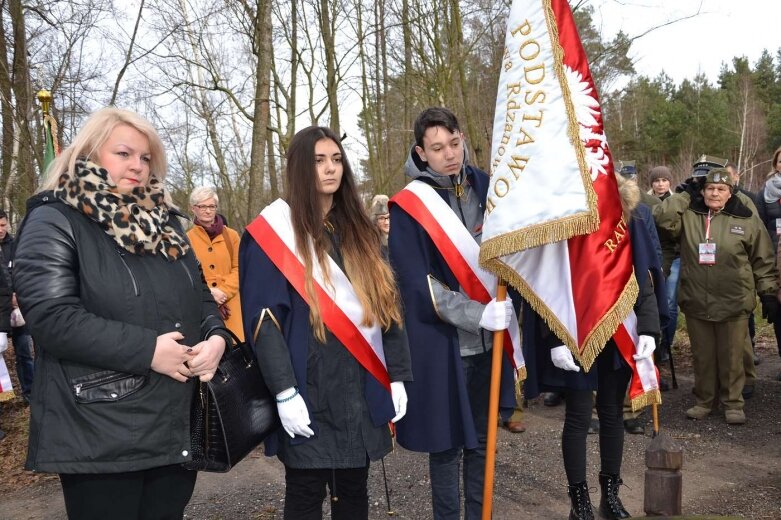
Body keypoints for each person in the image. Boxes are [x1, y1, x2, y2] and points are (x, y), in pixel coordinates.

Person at [12, 107, 229, 519]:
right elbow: (52, 317)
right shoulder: (55, 219)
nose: (137, 166)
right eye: (124, 154)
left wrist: (216, 338)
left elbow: (200, 295)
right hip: (99, 429)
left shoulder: (165, 224)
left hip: (173, 420)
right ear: (90, 155)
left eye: (145, 158)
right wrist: (148, 350)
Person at [239, 126, 412, 520]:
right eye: (319, 161)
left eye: (336, 159)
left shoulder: (360, 230)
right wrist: (283, 391)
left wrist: (397, 374)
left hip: (360, 384)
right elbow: (265, 322)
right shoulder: (273, 232)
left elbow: (387, 306)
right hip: (308, 388)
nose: (331, 169)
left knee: (354, 493)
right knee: (305, 494)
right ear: (300, 167)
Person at [388, 107, 517, 519]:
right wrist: (475, 314)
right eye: (438, 148)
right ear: (421, 152)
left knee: (482, 441)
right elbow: (415, 283)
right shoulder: (408, 207)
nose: (449, 154)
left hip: (491, 341)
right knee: (447, 448)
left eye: (455, 143)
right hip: (445, 344)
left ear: (463, 138)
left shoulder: (489, 187)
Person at [523, 173, 662, 520]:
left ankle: (610, 495)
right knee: (579, 417)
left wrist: (648, 328)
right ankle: (579, 502)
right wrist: (555, 340)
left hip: (617, 333)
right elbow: (549, 288)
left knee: (613, 415)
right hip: (576, 334)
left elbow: (640, 279)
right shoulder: (564, 228)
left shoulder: (626, 224)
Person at [655, 168, 778, 425]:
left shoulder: (745, 217)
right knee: (703, 355)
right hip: (697, 298)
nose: (715, 193)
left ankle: (733, 403)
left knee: (732, 356)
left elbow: (763, 259)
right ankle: (704, 401)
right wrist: (683, 194)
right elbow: (663, 220)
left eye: (721, 189)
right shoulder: (689, 214)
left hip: (734, 299)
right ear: (702, 191)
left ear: (730, 192)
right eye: (710, 188)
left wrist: (768, 293)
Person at [187, 186, 244, 340]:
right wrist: (210, 293)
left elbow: (239, 268)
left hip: (231, 307)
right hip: (204, 308)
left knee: (238, 355)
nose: (207, 211)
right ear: (193, 208)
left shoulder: (231, 236)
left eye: (211, 206)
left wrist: (223, 291)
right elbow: (188, 275)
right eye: (202, 206)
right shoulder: (186, 239)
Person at [725, 162, 760, 396]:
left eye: (727, 178)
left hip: (738, 280)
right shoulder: (700, 202)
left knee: (742, 336)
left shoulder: (746, 200)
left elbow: (757, 238)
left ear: (736, 178)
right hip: (710, 281)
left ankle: (747, 379)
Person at [0, 210, 35, 405]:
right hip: (0, 312)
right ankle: (3, 399)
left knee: (24, 353)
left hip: (19, 310)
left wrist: (18, 296)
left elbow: (26, 272)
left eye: (3, 225)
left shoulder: (16, 246)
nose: (1, 229)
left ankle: (30, 393)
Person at [753, 146, 781, 380]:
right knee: (777, 309)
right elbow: (760, 225)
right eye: (780, 161)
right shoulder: (765, 192)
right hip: (774, 254)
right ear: (775, 164)